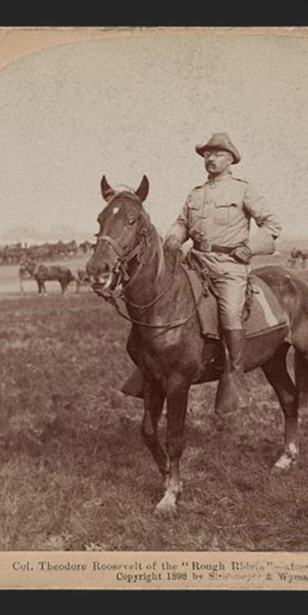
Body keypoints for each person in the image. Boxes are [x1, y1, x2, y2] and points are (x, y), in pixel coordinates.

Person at [122, 132, 281, 413]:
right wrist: (173, 238)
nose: (210, 158)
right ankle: (151, 365)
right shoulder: (196, 194)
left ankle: (234, 375)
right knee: (165, 299)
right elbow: (182, 222)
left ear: (230, 159)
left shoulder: (243, 190)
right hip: (196, 261)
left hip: (229, 265)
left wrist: (250, 247)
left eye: (217, 153)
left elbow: (271, 224)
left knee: (230, 311)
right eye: (207, 154)